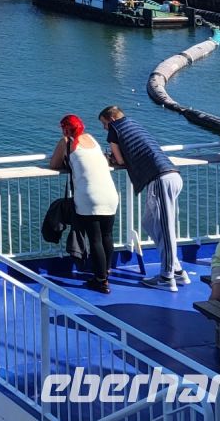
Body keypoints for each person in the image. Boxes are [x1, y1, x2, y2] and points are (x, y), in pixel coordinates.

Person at [99, 106, 188, 291]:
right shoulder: (134, 124)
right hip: (169, 176)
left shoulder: (115, 129)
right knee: (149, 223)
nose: (104, 129)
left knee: (166, 228)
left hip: (160, 179)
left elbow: (120, 160)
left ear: (111, 119)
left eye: (104, 124)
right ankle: (177, 270)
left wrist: (109, 159)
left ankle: (167, 277)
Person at [48, 114, 119, 294]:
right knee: (107, 235)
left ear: (65, 129)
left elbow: (54, 164)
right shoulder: (91, 139)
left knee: (94, 239)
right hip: (110, 193)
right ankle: (107, 271)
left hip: (89, 197)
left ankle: (101, 281)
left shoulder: (67, 142)